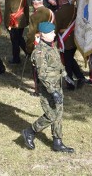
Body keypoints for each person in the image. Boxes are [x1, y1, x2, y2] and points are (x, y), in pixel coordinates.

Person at [21, 22, 74, 153]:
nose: (54, 34)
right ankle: (30, 131)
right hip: (47, 89)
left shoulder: (52, 46)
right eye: (51, 32)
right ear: (43, 35)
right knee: (51, 115)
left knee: (59, 114)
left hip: (57, 86)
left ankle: (58, 142)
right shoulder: (39, 52)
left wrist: (65, 75)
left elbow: (57, 64)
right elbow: (42, 75)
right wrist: (53, 92)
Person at [54, 0, 87, 89]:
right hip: (75, 38)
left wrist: (53, 37)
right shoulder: (74, 8)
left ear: (60, 0)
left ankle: (70, 84)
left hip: (65, 40)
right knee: (70, 59)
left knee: (67, 63)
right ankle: (81, 77)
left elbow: (56, 27)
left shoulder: (59, 12)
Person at [4, 0, 28, 64]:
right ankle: (28, 52)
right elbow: (26, 8)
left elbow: (7, 12)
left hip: (13, 22)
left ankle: (16, 59)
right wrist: (27, 20)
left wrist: (6, 24)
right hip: (22, 21)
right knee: (20, 38)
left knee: (15, 41)